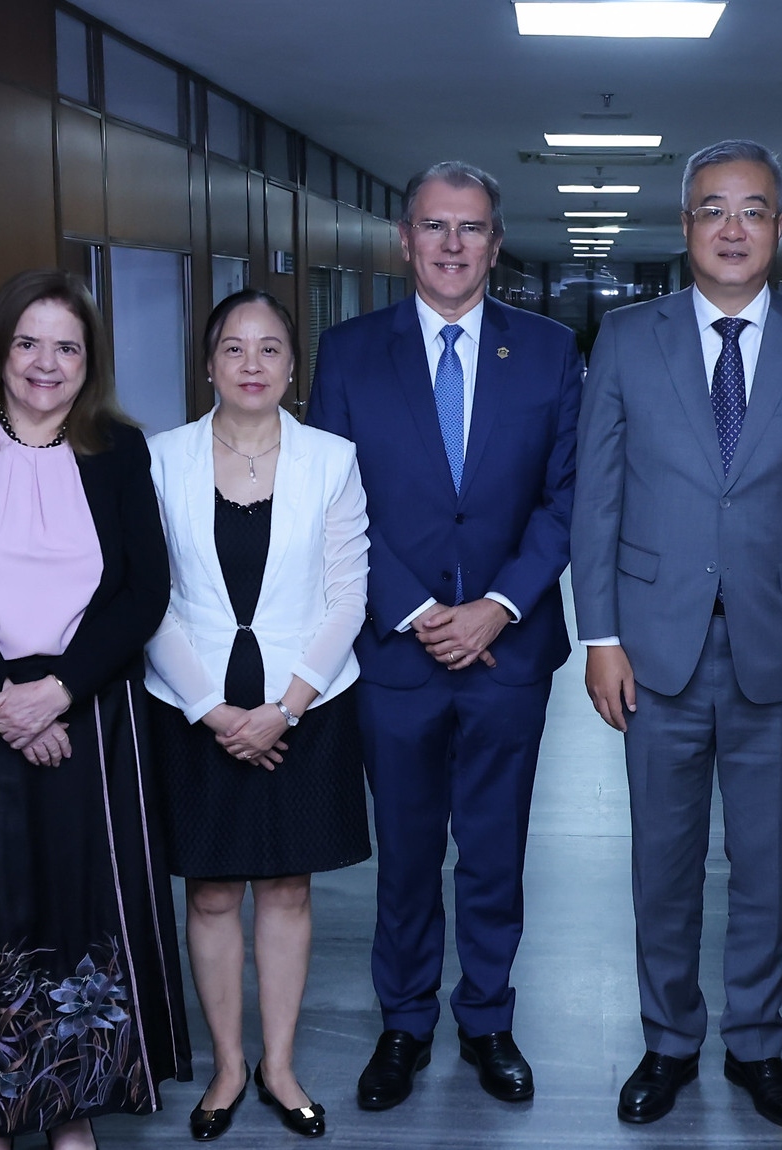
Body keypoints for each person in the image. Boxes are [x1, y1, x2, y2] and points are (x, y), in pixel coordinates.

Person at [572, 139, 782, 1131]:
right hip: (655, 648)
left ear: (780, 227)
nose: (733, 228)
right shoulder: (625, 337)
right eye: (712, 209)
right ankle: (667, 1040)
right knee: (663, 858)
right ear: (684, 226)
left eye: (753, 210)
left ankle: (757, 1044)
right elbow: (597, 499)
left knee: (769, 862)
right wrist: (599, 634)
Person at [0, 270, 189, 1149]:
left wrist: (57, 692)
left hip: (90, 709)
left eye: (67, 346)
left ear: (88, 359)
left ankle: (73, 1106)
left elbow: (145, 592)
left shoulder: (119, 447)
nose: (46, 363)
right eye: (28, 342)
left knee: (86, 910)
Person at [306, 160, 581, 1113]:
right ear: (405, 240)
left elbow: (565, 498)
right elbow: (330, 502)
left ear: (497, 244)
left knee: (496, 848)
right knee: (410, 849)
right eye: (435, 227)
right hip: (395, 649)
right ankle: (405, 1022)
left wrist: (500, 603)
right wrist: (421, 610)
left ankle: (490, 1020)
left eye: (471, 229)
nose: (453, 245)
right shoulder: (346, 354)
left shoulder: (549, 352)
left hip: (510, 650)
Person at [145, 289, 371, 1141]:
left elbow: (349, 595)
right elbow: (148, 597)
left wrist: (284, 708)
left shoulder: (332, 459)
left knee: (285, 886)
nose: (251, 365)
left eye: (270, 349)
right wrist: (212, 710)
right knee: (208, 893)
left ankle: (278, 1065)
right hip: (190, 701)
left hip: (307, 706)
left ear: (291, 367)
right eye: (233, 350)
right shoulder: (158, 459)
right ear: (207, 364)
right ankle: (227, 1067)